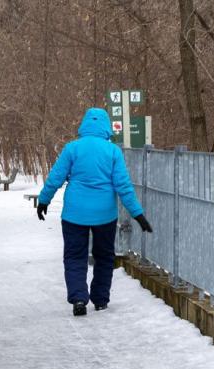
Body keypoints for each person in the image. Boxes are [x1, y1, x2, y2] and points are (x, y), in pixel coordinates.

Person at [36, 107, 152, 317]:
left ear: (84, 125)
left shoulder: (72, 148)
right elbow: (123, 186)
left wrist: (43, 200)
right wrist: (138, 215)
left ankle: (79, 297)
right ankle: (100, 300)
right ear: (106, 127)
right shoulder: (113, 151)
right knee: (104, 256)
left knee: (74, 256)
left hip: (74, 213)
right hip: (104, 215)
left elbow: (56, 177)